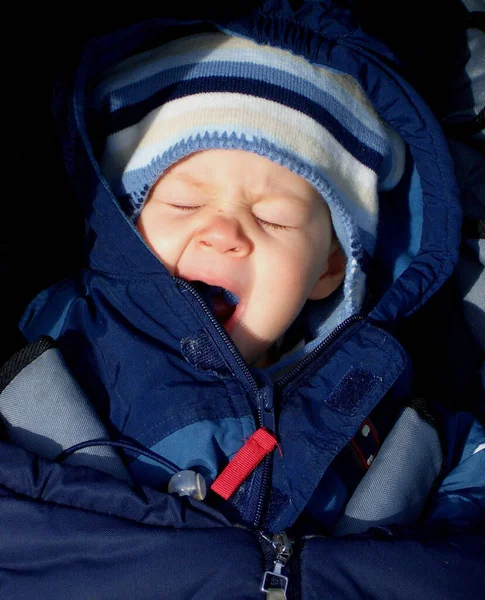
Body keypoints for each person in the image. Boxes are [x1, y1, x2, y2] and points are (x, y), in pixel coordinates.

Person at [2, 8, 484, 599]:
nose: (224, 232)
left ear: (332, 268)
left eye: (272, 217)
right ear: (125, 229)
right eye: (182, 205)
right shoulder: (71, 344)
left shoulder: (378, 391)